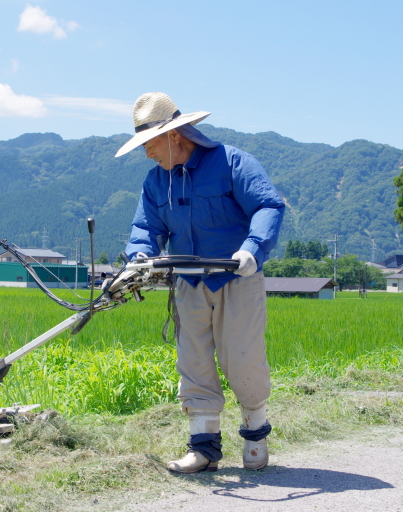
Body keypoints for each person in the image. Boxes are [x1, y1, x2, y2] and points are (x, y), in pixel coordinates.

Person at [116, 92, 285, 473]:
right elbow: (145, 228)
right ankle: (203, 448)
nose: (147, 154)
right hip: (188, 283)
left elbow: (267, 206)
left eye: (150, 144)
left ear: (175, 135)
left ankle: (255, 434)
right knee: (193, 363)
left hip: (236, 278)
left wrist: (252, 249)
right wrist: (137, 259)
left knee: (242, 357)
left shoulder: (231, 163)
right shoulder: (156, 182)